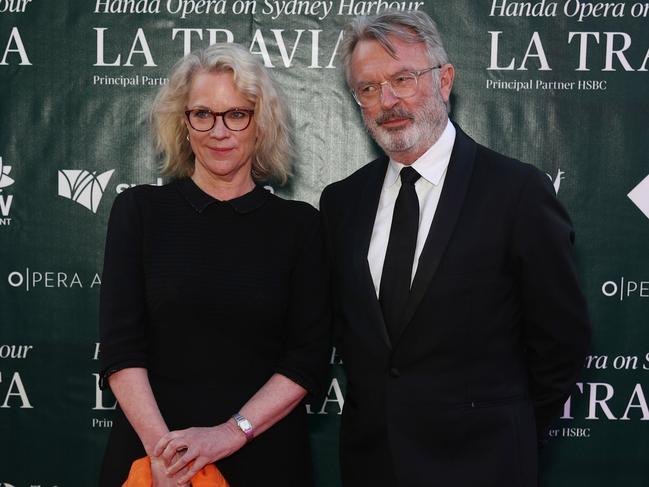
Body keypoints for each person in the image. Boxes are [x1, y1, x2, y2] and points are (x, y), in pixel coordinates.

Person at [319, 10, 591, 487]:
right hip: (372, 467)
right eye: (368, 88)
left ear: (444, 80)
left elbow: (560, 341)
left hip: (486, 465)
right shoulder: (342, 202)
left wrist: (506, 434)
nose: (388, 101)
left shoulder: (518, 193)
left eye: (403, 78)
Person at [98, 43, 330, 487]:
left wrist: (228, 435)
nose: (218, 131)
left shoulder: (300, 226)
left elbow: (307, 359)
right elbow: (121, 347)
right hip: (153, 461)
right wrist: (167, 456)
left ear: (259, 124)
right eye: (202, 114)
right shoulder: (139, 212)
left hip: (265, 459)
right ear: (183, 123)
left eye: (236, 114)